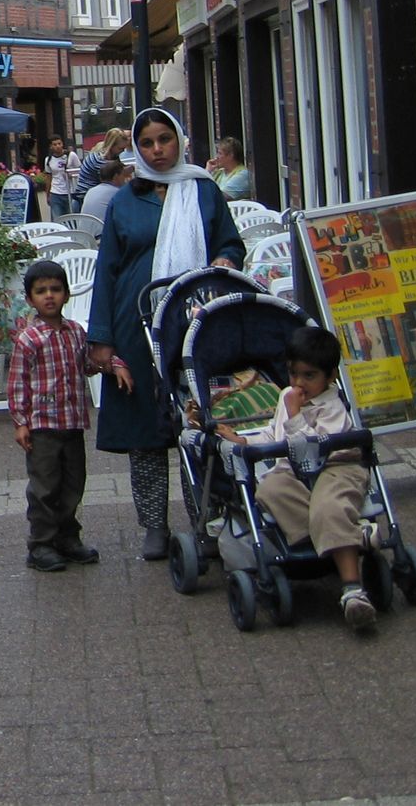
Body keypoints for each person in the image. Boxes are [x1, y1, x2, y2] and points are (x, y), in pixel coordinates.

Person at [85, 107, 244, 561]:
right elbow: (107, 272)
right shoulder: (124, 200)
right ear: (136, 147)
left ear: (179, 141)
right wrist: (102, 337)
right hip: (137, 329)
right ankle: (153, 526)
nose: (157, 150)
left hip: (198, 324)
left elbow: (231, 243)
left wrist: (227, 262)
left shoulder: (204, 191)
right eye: (148, 143)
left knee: (205, 423)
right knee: (146, 431)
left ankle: (206, 519)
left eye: (164, 140)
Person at [198, 325, 378, 630]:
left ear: (330, 376)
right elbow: (274, 434)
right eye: (294, 374)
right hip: (294, 474)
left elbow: (315, 449)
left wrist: (296, 416)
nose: (298, 383)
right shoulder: (286, 397)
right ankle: (343, 535)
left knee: (328, 508)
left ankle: (353, 591)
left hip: (336, 467)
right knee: (269, 489)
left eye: (309, 376)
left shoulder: (332, 407)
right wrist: (243, 441)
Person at [9, 260, 132, 573]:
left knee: (73, 483)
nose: (49, 296)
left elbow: (91, 362)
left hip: (73, 422)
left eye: (55, 289)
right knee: (44, 486)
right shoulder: (29, 339)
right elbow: (18, 383)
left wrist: (115, 364)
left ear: (66, 295)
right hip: (42, 427)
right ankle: (41, 544)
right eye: (41, 291)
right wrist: (21, 422)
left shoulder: (76, 333)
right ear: (30, 299)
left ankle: (67, 537)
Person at [74, 126, 130, 200]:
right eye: (120, 148)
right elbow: (115, 181)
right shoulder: (100, 161)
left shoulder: (107, 156)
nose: (123, 151)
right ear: (112, 145)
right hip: (84, 197)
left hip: (89, 196)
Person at [77, 160, 132, 225]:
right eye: (123, 175)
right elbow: (130, 216)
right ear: (116, 176)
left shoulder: (91, 191)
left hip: (82, 233)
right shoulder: (118, 193)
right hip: (102, 233)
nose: (125, 178)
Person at [43, 137, 80, 217]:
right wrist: (48, 194)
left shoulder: (71, 155)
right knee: (57, 218)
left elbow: (80, 171)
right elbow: (49, 177)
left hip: (70, 191)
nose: (58, 146)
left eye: (59, 144)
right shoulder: (48, 160)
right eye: (55, 144)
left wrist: (71, 174)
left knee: (71, 218)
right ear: (51, 146)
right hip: (56, 192)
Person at [209, 137, 254, 202]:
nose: (216, 157)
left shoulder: (243, 174)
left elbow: (219, 197)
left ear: (230, 155)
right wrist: (208, 171)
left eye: (220, 153)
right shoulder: (219, 173)